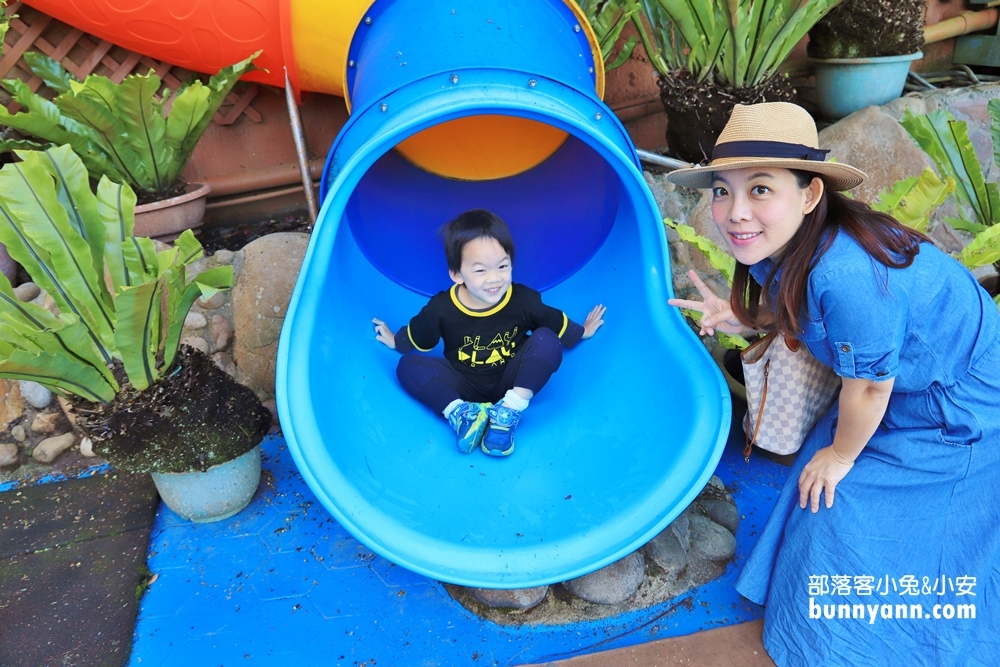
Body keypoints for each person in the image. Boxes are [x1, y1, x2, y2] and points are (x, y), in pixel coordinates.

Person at [666, 102, 1000, 666]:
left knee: (838, 502)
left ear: (811, 194)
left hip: (958, 410)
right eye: (722, 190)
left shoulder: (848, 275)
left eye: (761, 190)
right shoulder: (792, 242)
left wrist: (843, 456)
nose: (734, 212)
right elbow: (795, 301)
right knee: (819, 482)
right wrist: (739, 313)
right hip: (897, 387)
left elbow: (868, 388)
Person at [372, 209, 606, 457]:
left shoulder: (522, 300)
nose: (494, 279)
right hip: (463, 383)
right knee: (407, 365)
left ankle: (506, 414)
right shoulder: (441, 308)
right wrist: (396, 340)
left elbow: (553, 321)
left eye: (502, 266)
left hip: (512, 381)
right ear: (456, 274)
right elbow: (420, 334)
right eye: (480, 270)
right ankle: (462, 414)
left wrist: (581, 332)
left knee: (547, 339)